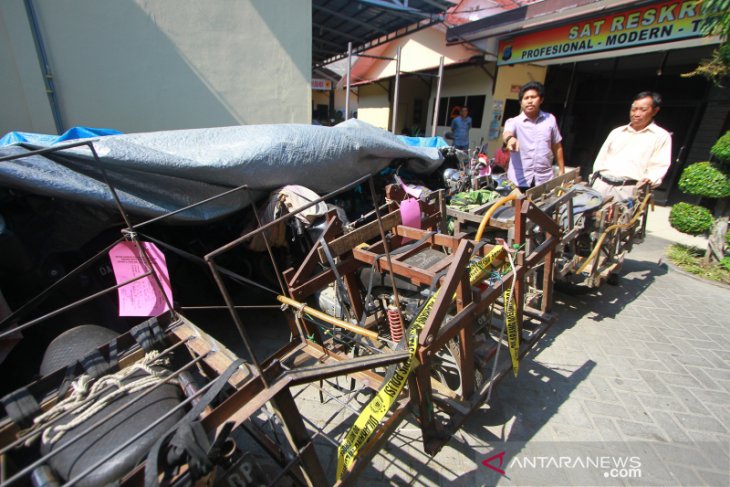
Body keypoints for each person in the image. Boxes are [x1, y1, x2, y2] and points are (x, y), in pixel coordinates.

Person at [591, 91, 672, 202]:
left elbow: (659, 166)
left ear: (655, 111)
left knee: (617, 218)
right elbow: (601, 157)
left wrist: (649, 180)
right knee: (586, 216)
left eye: (643, 110)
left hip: (628, 189)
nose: (636, 114)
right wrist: (595, 179)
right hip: (600, 185)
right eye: (634, 109)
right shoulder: (617, 132)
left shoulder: (661, 136)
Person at [503, 81, 565, 192]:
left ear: (541, 100)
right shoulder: (514, 122)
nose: (530, 101)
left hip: (544, 179)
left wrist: (561, 170)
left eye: (533, 97)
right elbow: (507, 133)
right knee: (518, 208)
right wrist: (510, 139)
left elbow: (557, 146)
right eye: (526, 98)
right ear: (521, 103)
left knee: (542, 207)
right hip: (519, 181)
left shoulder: (550, 120)